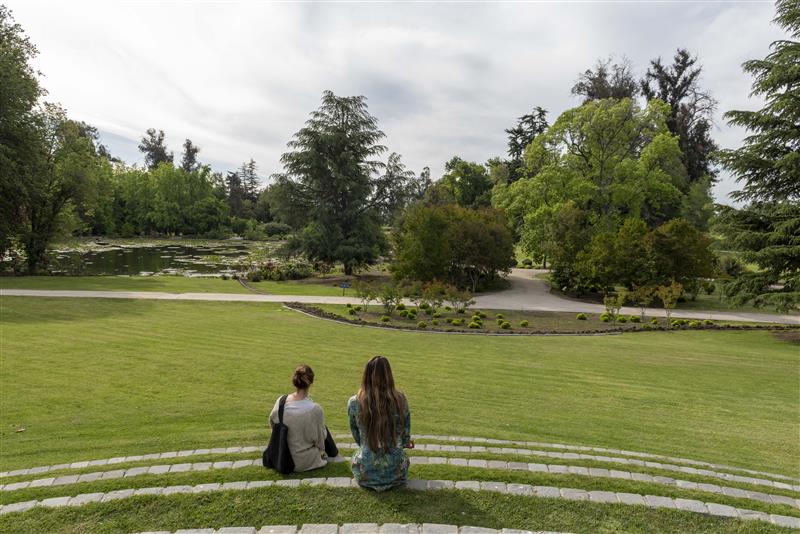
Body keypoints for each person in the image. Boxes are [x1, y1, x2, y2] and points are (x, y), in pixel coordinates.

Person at [348, 355, 413, 491]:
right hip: (396, 471)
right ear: (389, 375)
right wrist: (406, 442)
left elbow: (356, 434)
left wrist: (367, 447)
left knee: (358, 454)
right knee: (401, 457)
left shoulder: (354, 402)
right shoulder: (400, 400)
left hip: (364, 469)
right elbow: (405, 433)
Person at [268, 364, 329, 472]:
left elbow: (273, 424)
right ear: (311, 382)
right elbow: (320, 443)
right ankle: (335, 453)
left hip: (280, 455)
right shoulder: (315, 409)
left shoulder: (281, 401)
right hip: (303, 461)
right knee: (322, 429)